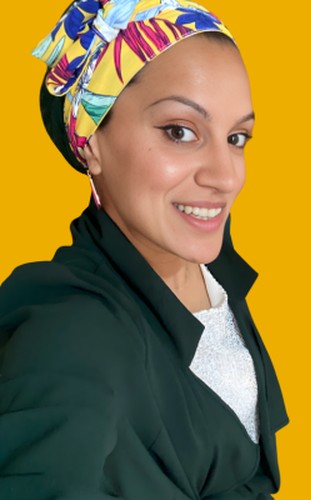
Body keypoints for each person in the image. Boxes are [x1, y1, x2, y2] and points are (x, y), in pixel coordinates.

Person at [0, 1, 288, 498]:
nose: (225, 176)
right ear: (91, 140)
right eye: (180, 132)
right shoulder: (68, 332)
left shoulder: (208, 267)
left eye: (236, 137)